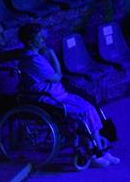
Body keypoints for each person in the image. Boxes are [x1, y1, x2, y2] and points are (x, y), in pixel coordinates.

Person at [17, 24, 119, 168]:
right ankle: (94, 153)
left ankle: (101, 151)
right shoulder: (33, 60)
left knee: (90, 108)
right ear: (30, 42)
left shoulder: (36, 56)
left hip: (59, 94)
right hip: (48, 98)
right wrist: (52, 55)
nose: (43, 39)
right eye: (39, 37)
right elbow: (57, 77)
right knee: (83, 113)